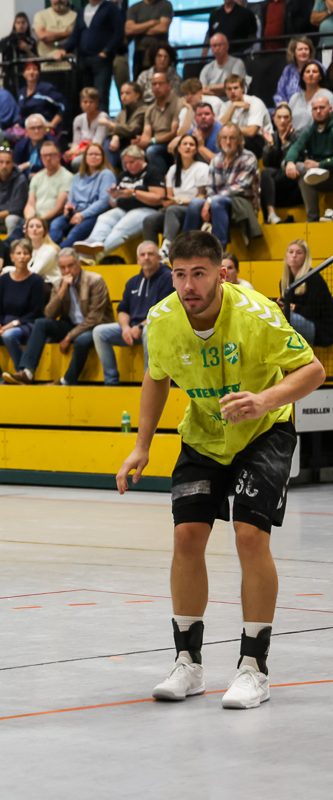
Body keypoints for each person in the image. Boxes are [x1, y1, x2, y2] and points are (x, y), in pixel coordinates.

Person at [117, 230, 326, 710]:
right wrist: (141, 446)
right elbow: (156, 378)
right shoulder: (162, 319)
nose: (188, 285)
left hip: (264, 431)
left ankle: (254, 668)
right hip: (205, 433)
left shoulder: (257, 314)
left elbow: (312, 370)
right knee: (187, 536)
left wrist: (265, 400)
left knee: (250, 536)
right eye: (179, 274)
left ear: (222, 274)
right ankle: (187, 664)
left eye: (199, 274)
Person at [3, 248, 112, 386]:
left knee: (81, 340)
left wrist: (69, 337)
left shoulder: (95, 280)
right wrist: (62, 290)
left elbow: (94, 318)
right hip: (72, 325)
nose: (67, 271)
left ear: (78, 264)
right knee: (41, 323)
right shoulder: (59, 284)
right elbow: (49, 314)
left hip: (96, 327)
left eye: (70, 266)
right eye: (62, 267)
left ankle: (67, 381)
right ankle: (27, 372)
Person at [91, 240, 174, 385]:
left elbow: (163, 311)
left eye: (150, 254)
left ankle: (149, 382)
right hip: (133, 329)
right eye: (143, 254)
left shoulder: (168, 278)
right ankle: (111, 381)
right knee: (99, 332)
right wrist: (125, 328)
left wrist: (140, 326)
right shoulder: (133, 282)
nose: (146, 257)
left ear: (159, 257)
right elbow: (123, 310)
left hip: (159, 328)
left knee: (149, 330)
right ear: (137, 259)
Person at [0, 238, 45, 386]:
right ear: (11, 257)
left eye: (25, 253)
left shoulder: (36, 280)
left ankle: (21, 374)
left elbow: (36, 312)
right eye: (18, 253)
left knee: (9, 335)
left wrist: (12, 324)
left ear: (31, 257)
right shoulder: (5, 279)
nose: (22, 257)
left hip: (26, 324)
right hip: (5, 324)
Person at [76, 146, 166, 259]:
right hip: (123, 209)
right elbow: (114, 204)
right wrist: (114, 197)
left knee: (121, 227)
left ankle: (92, 256)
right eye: (126, 163)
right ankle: (92, 243)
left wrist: (134, 193)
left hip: (147, 209)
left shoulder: (153, 172)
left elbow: (159, 198)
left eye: (131, 162)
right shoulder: (124, 175)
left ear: (141, 159)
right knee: (104, 218)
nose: (128, 165)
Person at [182, 124, 260, 248]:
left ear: (239, 140)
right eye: (224, 138)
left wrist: (211, 200)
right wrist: (209, 199)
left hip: (242, 204)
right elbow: (210, 187)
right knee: (195, 203)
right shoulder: (216, 159)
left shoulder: (249, 158)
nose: (228, 142)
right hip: (218, 203)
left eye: (232, 138)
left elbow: (241, 186)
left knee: (217, 201)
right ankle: (186, 246)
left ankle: (219, 248)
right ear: (219, 140)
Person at [147, 133, 210, 259]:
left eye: (191, 144)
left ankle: (166, 247)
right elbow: (170, 196)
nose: (188, 147)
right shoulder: (173, 169)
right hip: (175, 207)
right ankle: (150, 252)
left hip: (192, 208)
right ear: (179, 148)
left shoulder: (202, 167)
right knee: (149, 220)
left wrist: (180, 202)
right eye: (185, 144)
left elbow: (201, 196)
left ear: (196, 149)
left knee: (172, 210)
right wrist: (167, 201)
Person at [55, 0, 123, 113]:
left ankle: (101, 122)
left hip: (101, 60)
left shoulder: (110, 8)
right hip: (84, 60)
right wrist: (64, 49)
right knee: (86, 95)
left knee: (100, 94)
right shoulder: (82, 11)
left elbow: (119, 33)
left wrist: (106, 51)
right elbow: (75, 35)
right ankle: (87, 122)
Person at [53, 143, 117, 247]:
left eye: (97, 154)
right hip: (76, 212)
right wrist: (68, 207)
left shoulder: (106, 174)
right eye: (90, 154)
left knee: (75, 232)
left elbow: (104, 201)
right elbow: (71, 198)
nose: (93, 157)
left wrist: (82, 215)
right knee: (56, 224)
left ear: (103, 157)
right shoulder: (77, 176)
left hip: (93, 215)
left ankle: (59, 254)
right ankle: (51, 250)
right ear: (85, 157)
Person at [280, 239, 333, 347]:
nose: (294, 255)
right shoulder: (284, 281)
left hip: (321, 330)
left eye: (299, 253)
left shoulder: (313, 278)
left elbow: (314, 311)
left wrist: (294, 307)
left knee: (283, 317)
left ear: (305, 257)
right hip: (302, 323)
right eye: (291, 252)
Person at [19, 140, 72, 237]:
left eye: (51, 155)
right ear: (41, 158)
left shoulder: (67, 177)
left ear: (59, 156)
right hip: (35, 218)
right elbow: (30, 204)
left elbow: (58, 207)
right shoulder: (37, 177)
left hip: (52, 218)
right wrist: (30, 220)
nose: (48, 158)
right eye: (45, 155)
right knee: (15, 236)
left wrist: (38, 221)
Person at [260, 104, 301, 226]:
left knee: (266, 176)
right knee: (265, 173)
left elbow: (291, 162)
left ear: (291, 119)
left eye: (286, 117)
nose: (282, 120)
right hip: (276, 182)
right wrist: (271, 145)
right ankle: (271, 213)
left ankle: (269, 215)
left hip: (293, 180)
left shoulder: (298, 136)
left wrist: (285, 144)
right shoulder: (271, 137)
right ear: (274, 119)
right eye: (279, 117)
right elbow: (267, 163)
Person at [143, 72, 187, 178]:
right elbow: (146, 133)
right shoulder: (150, 109)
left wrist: (152, 140)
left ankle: (163, 181)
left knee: (152, 151)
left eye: (160, 83)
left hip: (173, 142)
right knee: (132, 152)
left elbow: (173, 132)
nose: (157, 87)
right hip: (155, 143)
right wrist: (141, 142)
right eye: (154, 84)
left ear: (169, 85)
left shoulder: (178, 103)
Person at [123, 0, 174, 90]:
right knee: (139, 85)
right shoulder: (134, 7)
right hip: (140, 52)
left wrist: (138, 29)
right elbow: (129, 29)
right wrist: (152, 23)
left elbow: (163, 28)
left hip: (160, 52)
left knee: (162, 82)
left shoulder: (165, 5)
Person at [220, 75, 270, 157]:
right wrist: (233, 106)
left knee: (246, 141)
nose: (233, 91)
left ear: (242, 88)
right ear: (225, 91)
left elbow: (251, 132)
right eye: (229, 89)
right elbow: (219, 128)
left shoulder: (255, 102)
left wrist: (229, 129)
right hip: (238, 139)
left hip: (263, 140)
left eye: (235, 88)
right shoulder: (226, 106)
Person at [64, 87, 112, 170]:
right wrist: (70, 152)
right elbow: (76, 143)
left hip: (97, 152)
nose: (88, 105)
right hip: (81, 151)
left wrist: (77, 152)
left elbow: (97, 144)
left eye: (91, 102)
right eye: (85, 102)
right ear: (81, 103)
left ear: (97, 103)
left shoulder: (102, 117)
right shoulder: (78, 119)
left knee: (76, 162)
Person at [0, 13, 39, 94]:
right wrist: (1, 67)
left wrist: (27, 50)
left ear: (27, 24)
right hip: (10, 75)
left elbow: (36, 60)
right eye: (18, 23)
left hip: (26, 75)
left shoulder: (31, 41)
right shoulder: (8, 40)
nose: (21, 25)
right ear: (14, 24)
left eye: (23, 22)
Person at [108, 82, 150, 170]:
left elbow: (133, 130)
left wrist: (111, 125)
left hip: (136, 144)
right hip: (123, 143)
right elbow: (110, 131)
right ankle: (108, 173)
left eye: (127, 93)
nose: (123, 96)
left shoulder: (144, 110)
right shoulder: (122, 112)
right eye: (122, 93)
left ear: (137, 95)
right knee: (107, 144)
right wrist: (115, 137)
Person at [287, 62, 332, 133]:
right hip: (294, 137)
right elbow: (287, 120)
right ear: (303, 77)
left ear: (320, 77)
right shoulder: (295, 97)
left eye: (314, 71)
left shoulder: (328, 96)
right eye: (308, 71)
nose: (311, 74)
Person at [33, 0, 77, 72]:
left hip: (69, 65)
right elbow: (43, 36)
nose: (59, 0)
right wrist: (69, 33)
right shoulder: (41, 15)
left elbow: (76, 39)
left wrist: (55, 42)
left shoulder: (76, 17)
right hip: (46, 65)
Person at [199, 34, 246, 99]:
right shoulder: (207, 68)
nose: (217, 48)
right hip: (211, 102)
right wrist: (221, 92)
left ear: (227, 46)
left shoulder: (237, 63)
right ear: (211, 48)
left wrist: (210, 87)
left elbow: (234, 86)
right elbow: (202, 90)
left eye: (220, 45)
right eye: (214, 45)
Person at [275, 37, 317, 109]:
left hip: (313, 108)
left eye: (306, 49)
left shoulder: (317, 67)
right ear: (293, 53)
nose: (303, 52)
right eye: (300, 49)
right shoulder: (289, 69)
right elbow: (280, 93)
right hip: (290, 109)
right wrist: (282, 107)